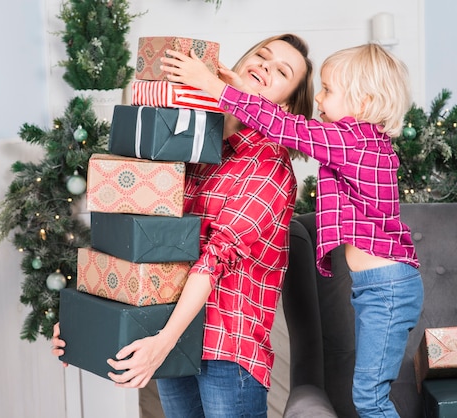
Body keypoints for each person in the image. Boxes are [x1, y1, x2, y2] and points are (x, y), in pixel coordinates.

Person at [52, 33, 315, 418]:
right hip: (168, 329)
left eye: (281, 72)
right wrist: (85, 321)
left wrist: (162, 341)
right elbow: (136, 237)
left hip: (225, 346)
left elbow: (215, 258)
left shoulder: (268, 167)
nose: (264, 67)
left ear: (287, 105)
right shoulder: (187, 142)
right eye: (262, 55)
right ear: (237, 65)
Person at [161, 43, 424, 418]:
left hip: (387, 288)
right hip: (377, 287)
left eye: (329, 90)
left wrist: (216, 87)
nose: (319, 97)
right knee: (369, 396)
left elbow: (287, 127)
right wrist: (235, 94)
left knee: (370, 400)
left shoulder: (355, 140)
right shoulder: (357, 142)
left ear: (363, 103)